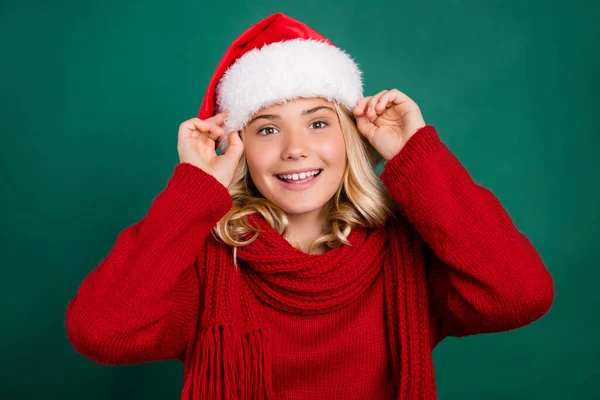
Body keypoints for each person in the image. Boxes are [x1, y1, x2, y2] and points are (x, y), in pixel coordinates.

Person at [65, 12, 555, 400]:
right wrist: (193, 189)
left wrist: (416, 155)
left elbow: (520, 295)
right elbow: (100, 333)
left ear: (348, 137)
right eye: (267, 128)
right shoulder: (206, 262)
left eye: (318, 123)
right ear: (239, 148)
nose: (294, 148)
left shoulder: (404, 253)